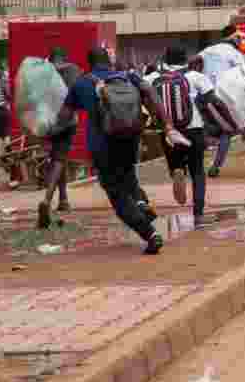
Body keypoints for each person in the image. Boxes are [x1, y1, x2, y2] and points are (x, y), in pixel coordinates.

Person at [55, 46, 170, 253]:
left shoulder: (83, 82)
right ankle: (141, 203)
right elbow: (151, 92)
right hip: (130, 140)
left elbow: (63, 117)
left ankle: (150, 234)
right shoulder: (128, 77)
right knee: (129, 178)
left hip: (102, 146)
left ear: (89, 64)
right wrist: (166, 124)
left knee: (117, 195)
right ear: (109, 61)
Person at [146, 47, 236, 224]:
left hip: (168, 130)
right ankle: (198, 213)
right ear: (185, 60)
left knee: (175, 161)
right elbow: (215, 101)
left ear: (165, 59)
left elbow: (141, 96)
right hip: (193, 128)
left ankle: (177, 171)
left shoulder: (152, 79)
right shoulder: (195, 77)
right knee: (197, 172)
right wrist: (230, 122)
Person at [37, 48, 82, 229]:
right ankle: (47, 199)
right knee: (59, 159)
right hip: (67, 120)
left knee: (58, 157)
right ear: (65, 58)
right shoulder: (73, 69)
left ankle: (63, 199)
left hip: (48, 121)